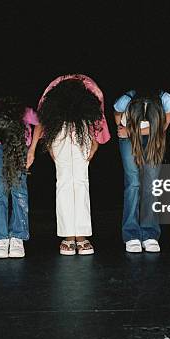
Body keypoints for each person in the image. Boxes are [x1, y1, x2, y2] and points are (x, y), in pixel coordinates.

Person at [29, 74, 110, 256]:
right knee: (64, 183)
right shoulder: (53, 87)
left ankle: (81, 235)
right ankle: (68, 236)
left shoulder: (90, 87)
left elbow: (98, 115)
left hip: (83, 129)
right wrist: (36, 147)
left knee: (80, 182)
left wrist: (95, 142)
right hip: (59, 129)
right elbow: (43, 118)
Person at [0, 97, 39, 258]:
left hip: (18, 147)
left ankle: (18, 236)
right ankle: (0, 237)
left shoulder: (24, 113)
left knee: (19, 191)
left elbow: (40, 123)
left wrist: (32, 150)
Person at [114, 89, 170, 253]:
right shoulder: (127, 98)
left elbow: (162, 127)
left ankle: (149, 233)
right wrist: (127, 132)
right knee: (133, 183)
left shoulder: (166, 99)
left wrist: (132, 132)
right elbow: (117, 116)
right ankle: (131, 234)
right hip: (129, 141)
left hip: (153, 139)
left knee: (151, 185)